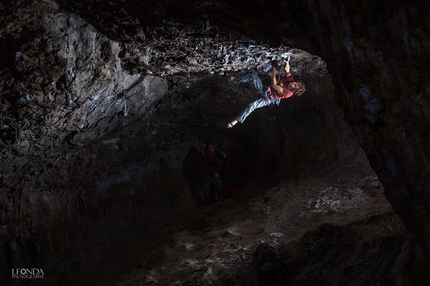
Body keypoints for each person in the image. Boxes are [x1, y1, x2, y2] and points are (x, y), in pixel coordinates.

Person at [226, 57, 306, 128]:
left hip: (267, 99)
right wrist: (287, 62)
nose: (294, 83)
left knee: (251, 106)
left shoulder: (288, 93)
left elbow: (274, 85)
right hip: (264, 90)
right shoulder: (291, 80)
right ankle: (234, 79)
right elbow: (287, 70)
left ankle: (236, 121)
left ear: (294, 90)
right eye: (297, 83)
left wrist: (274, 70)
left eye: (296, 86)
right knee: (252, 76)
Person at [202, 143, 226, 208]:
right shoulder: (205, 156)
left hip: (214, 171)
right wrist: (213, 173)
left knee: (219, 184)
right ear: (208, 149)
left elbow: (222, 159)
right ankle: (206, 202)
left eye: (212, 147)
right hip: (207, 172)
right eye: (210, 147)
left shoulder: (216, 153)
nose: (212, 148)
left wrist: (224, 157)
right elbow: (206, 166)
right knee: (206, 188)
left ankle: (219, 197)